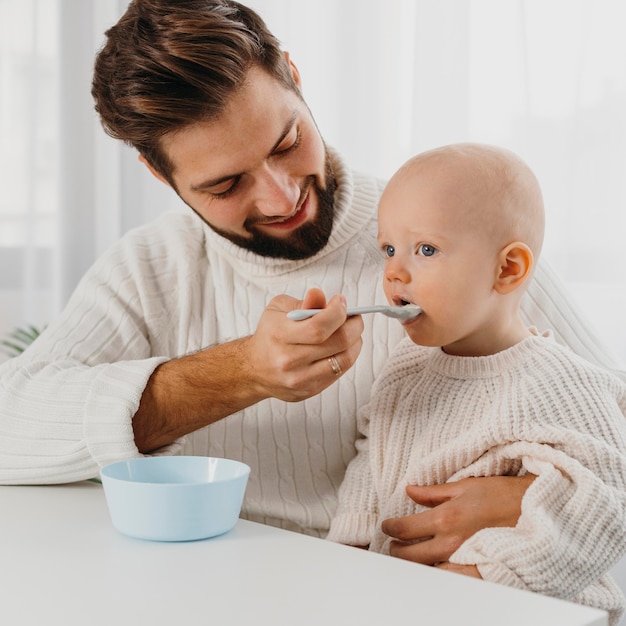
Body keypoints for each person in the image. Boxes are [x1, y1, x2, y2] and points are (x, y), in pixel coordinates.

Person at [0, 1, 622, 565]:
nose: (282, 196)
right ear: (160, 176)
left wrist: (539, 502)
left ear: (295, 75)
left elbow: (606, 426)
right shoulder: (149, 269)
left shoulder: (454, 232)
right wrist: (241, 372)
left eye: (288, 141)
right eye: (225, 185)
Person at [326, 143, 626, 623]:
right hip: (409, 601)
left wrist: (485, 577)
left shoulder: (562, 383)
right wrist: (350, 548)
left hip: (527, 608)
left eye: (425, 250)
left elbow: (602, 506)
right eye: (388, 249)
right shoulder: (406, 368)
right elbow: (374, 454)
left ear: (507, 269)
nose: (394, 272)